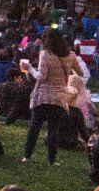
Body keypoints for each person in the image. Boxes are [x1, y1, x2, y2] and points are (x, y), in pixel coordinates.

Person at [23, 30, 82, 166]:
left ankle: (27, 156)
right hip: (60, 98)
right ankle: (52, 160)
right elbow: (81, 72)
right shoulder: (71, 55)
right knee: (53, 130)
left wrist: (30, 69)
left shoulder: (45, 55)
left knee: (35, 128)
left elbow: (41, 77)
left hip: (43, 96)